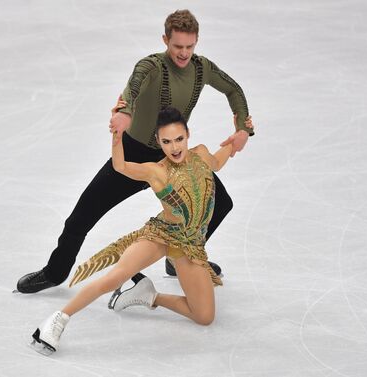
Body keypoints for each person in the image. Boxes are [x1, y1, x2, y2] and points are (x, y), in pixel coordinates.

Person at [16, 9, 254, 294]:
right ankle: (55, 272)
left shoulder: (202, 68)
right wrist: (125, 114)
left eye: (190, 46)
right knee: (80, 218)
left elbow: (234, 90)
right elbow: (133, 88)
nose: (184, 53)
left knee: (221, 203)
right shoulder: (151, 66)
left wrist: (242, 127)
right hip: (133, 153)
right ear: (165, 39)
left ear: (197, 41)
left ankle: (181, 257)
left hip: (173, 157)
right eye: (177, 46)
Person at [30, 106, 235, 355]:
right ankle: (57, 320)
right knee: (115, 276)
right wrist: (117, 139)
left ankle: (149, 295)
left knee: (204, 316)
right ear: (158, 142)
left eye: (179, 139)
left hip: (189, 245)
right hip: (161, 235)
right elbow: (120, 167)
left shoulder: (201, 154)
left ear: (188, 135)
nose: (175, 147)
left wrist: (239, 136)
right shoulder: (156, 170)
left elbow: (219, 161)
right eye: (167, 141)